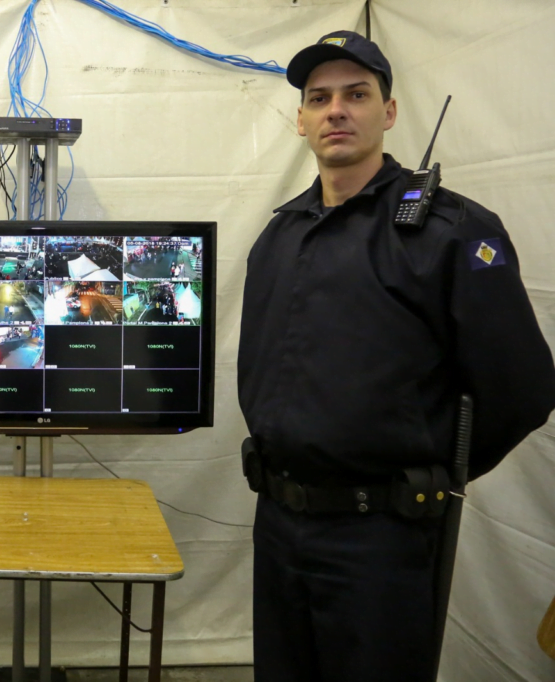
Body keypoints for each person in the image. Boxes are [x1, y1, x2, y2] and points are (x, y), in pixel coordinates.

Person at [236, 31, 555, 682]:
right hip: (278, 524)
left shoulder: (451, 232)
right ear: (299, 120)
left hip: (381, 540)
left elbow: (522, 389)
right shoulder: (278, 235)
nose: (336, 111)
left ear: (389, 111)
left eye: (357, 94)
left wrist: (428, 468)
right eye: (319, 98)